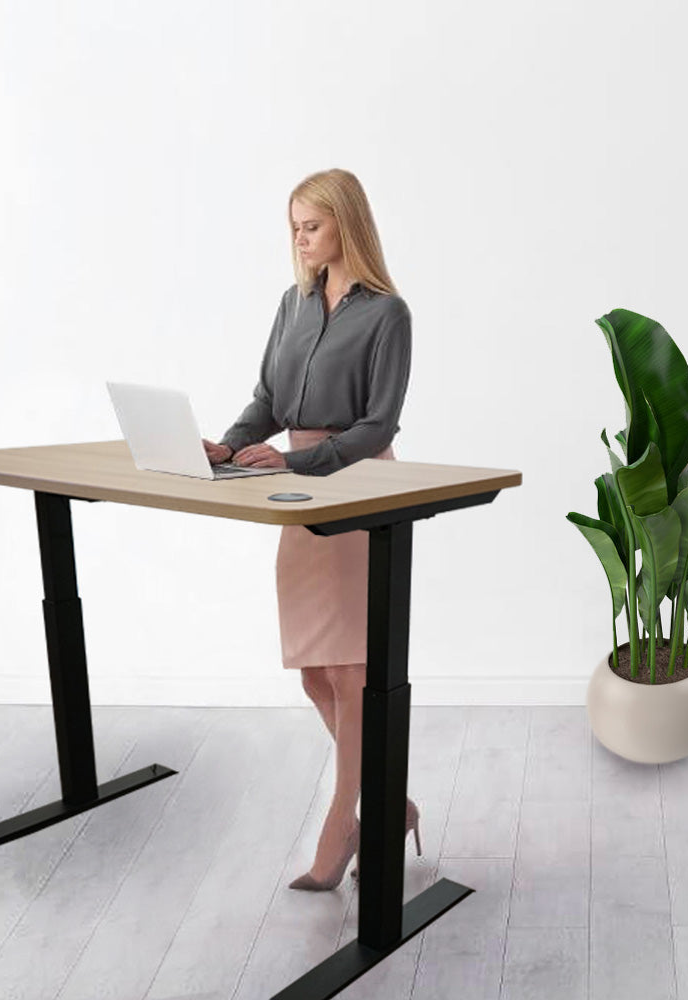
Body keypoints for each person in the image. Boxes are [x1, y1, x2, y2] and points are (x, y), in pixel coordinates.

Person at [202, 168, 419, 891]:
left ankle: (344, 817)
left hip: (354, 485)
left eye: (312, 226)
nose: (299, 239)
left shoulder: (388, 315)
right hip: (298, 484)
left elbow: (377, 425)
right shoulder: (291, 306)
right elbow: (267, 398)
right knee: (314, 675)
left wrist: (299, 458)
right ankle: (394, 802)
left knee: (354, 673)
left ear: (346, 225)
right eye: (295, 226)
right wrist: (229, 447)